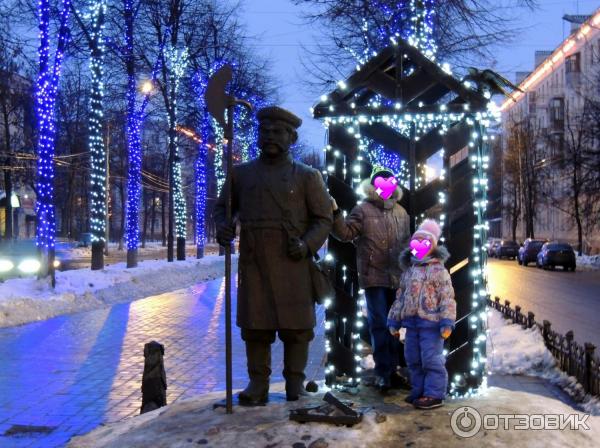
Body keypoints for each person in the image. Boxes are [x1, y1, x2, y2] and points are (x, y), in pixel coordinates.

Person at [213, 106, 332, 406]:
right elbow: (221, 208)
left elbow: (324, 219)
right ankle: (258, 383)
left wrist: (306, 245)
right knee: (256, 327)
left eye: (277, 132)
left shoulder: (308, 176)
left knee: (297, 328)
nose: (269, 137)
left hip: (293, 261)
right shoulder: (241, 174)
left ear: (291, 137)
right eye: (264, 131)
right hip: (255, 263)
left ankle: (295, 382)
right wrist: (223, 227)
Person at [330, 167, 410, 391]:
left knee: (394, 326)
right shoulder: (363, 210)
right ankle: (384, 372)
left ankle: (393, 370)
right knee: (379, 325)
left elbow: (406, 244)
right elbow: (345, 234)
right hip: (374, 277)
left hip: (397, 277)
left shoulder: (401, 213)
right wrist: (336, 214)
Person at [387, 219, 456, 409]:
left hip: (432, 325)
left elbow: (447, 297)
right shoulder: (409, 272)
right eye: (415, 242)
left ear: (432, 246)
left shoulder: (438, 271)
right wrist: (394, 320)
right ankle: (418, 390)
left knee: (431, 359)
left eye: (424, 243)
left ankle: (434, 393)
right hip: (412, 324)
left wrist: (447, 321)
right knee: (413, 358)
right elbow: (401, 297)